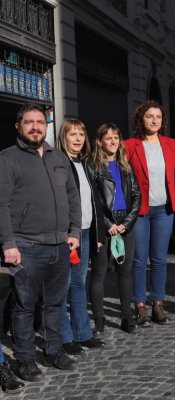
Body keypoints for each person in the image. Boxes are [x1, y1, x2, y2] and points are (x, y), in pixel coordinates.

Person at [0, 103, 81, 381]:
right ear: (18, 126)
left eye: (40, 122)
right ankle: (24, 359)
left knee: (55, 303)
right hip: (26, 246)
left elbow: (73, 197)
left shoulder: (58, 157)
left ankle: (53, 349)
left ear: (46, 126)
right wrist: (8, 243)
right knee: (24, 305)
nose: (35, 127)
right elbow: (1, 203)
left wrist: (75, 232)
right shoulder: (7, 158)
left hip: (59, 244)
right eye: (29, 122)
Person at [125, 100, 175, 327]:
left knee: (159, 259)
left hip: (164, 209)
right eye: (149, 116)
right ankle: (139, 306)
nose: (154, 120)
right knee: (139, 259)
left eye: (158, 117)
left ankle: (158, 303)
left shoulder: (170, 144)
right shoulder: (130, 145)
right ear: (141, 119)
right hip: (140, 211)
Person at [55, 119, 106, 354]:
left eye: (81, 135)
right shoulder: (57, 163)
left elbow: (94, 201)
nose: (77, 139)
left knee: (78, 284)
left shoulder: (86, 163)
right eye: (72, 134)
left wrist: (97, 233)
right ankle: (64, 337)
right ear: (63, 137)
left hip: (85, 232)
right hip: (67, 235)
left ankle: (83, 333)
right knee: (62, 287)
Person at [89, 123, 141, 335]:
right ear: (100, 141)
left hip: (125, 224)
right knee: (99, 273)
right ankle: (99, 319)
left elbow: (137, 196)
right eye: (108, 138)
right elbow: (93, 201)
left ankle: (126, 317)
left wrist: (126, 224)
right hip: (104, 225)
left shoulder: (125, 166)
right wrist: (108, 225)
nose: (112, 141)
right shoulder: (92, 167)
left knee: (125, 272)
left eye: (116, 138)